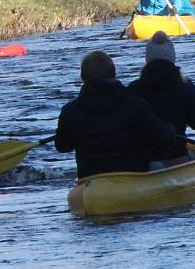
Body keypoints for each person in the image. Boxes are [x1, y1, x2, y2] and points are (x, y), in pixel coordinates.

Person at [55, 50, 180, 179]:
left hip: (91, 181)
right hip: (133, 176)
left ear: (83, 78)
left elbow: (62, 146)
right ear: (114, 74)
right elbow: (164, 137)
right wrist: (170, 128)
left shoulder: (70, 111)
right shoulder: (136, 105)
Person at [128, 31, 195, 163]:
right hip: (176, 155)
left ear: (147, 58)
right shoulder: (185, 87)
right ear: (172, 57)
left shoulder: (133, 89)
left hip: (143, 162)